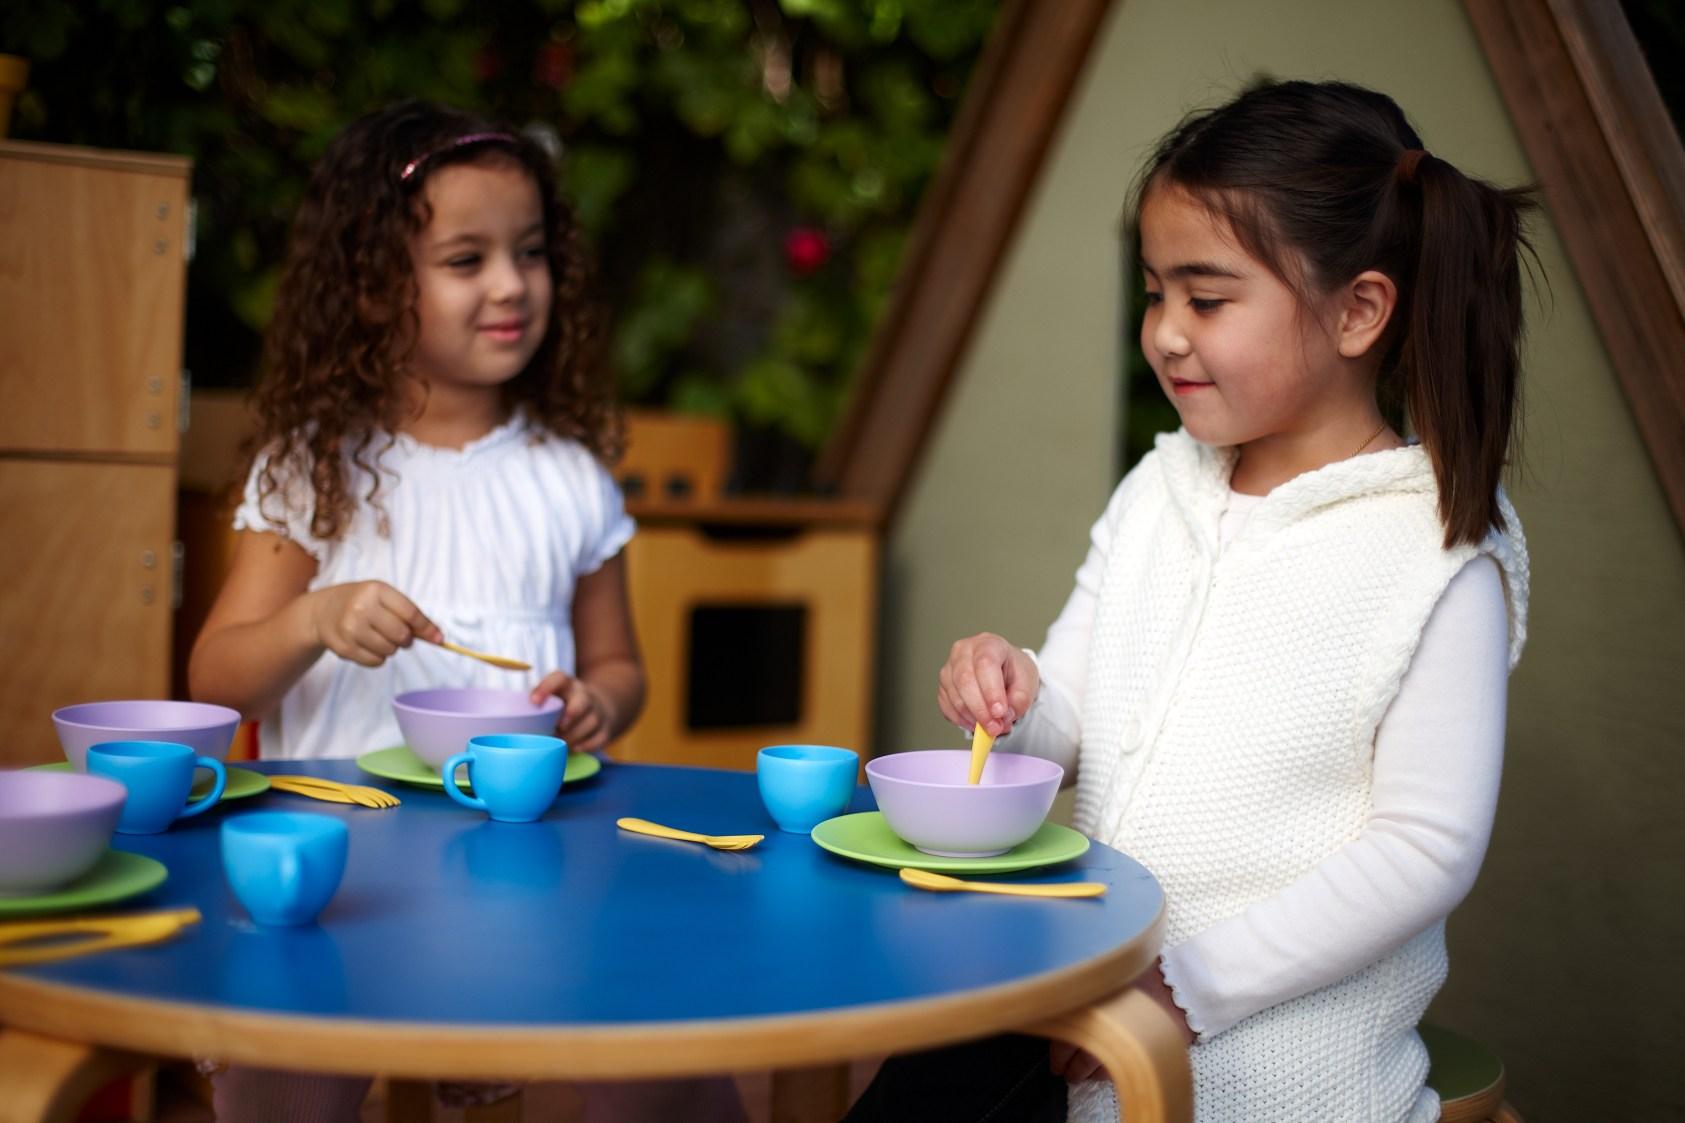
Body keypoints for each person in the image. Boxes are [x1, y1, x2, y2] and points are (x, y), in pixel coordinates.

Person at [853, 78, 1535, 1123]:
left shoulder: (1435, 543)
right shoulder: (1158, 488)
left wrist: (1180, 989)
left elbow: (1424, 847)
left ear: (1356, 311)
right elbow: (1069, 711)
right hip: (1086, 1020)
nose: (1166, 332)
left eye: (1205, 298)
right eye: (1153, 291)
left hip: (1274, 1076)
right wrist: (1013, 693)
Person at [190, 100, 740, 1123]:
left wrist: (594, 704)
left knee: (648, 1068)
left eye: (529, 253)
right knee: (281, 1088)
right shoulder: (316, 469)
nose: (510, 286)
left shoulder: (568, 478)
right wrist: (315, 617)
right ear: (368, 285)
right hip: (336, 875)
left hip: (523, 873)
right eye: (465, 259)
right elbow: (216, 674)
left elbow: (622, 670)